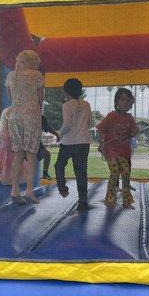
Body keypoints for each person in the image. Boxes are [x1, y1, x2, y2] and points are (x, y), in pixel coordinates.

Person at [5, 50, 44, 205]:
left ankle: (14, 190)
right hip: (31, 115)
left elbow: (10, 97)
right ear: (32, 63)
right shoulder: (37, 75)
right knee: (31, 155)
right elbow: (41, 98)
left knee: (18, 153)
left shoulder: (11, 76)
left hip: (14, 115)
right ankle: (29, 190)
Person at [96, 88, 138, 208]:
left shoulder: (130, 118)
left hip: (124, 151)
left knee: (125, 173)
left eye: (128, 100)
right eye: (122, 99)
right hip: (110, 150)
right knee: (114, 173)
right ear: (117, 101)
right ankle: (110, 199)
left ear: (131, 103)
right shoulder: (111, 116)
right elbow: (101, 129)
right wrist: (101, 143)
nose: (125, 103)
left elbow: (133, 132)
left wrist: (135, 131)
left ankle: (127, 200)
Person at [54, 78, 92, 212]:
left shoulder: (67, 105)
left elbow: (68, 125)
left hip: (69, 143)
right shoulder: (86, 104)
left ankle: (63, 189)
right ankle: (83, 202)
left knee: (59, 166)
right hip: (83, 142)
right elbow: (89, 122)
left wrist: (59, 134)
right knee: (81, 172)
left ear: (65, 91)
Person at [38, 115, 59, 180]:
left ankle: (45, 173)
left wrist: (57, 134)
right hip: (26, 143)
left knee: (46, 154)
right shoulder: (25, 116)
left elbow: (48, 127)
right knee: (24, 159)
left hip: (36, 142)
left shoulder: (41, 118)